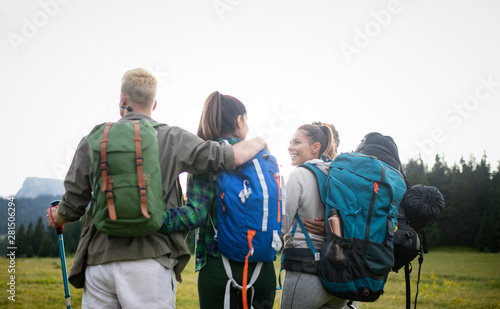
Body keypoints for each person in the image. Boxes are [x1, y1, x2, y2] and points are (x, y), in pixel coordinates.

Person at [45, 69, 267, 309]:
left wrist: (57, 216)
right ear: (154, 103)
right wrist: (261, 142)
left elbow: (73, 204)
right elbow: (228, 156)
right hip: (150, 262)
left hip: (99, 263)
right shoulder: (172, 137)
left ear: (122, 99)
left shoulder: (95, 138)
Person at [159, 91, 277, 309]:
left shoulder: (206, 155)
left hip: (218, 267)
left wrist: (155, 218)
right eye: (246, 119)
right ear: (239, 120)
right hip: (263, 267)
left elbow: (196, 214)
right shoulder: (263, 158)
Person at [280, 121, 350, 309]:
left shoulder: (299, 174)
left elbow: (281, 226)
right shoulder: (339, 174)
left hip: (305, 270)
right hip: (341, 274)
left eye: (296, 142)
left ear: (315, 147)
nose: (290, 147)